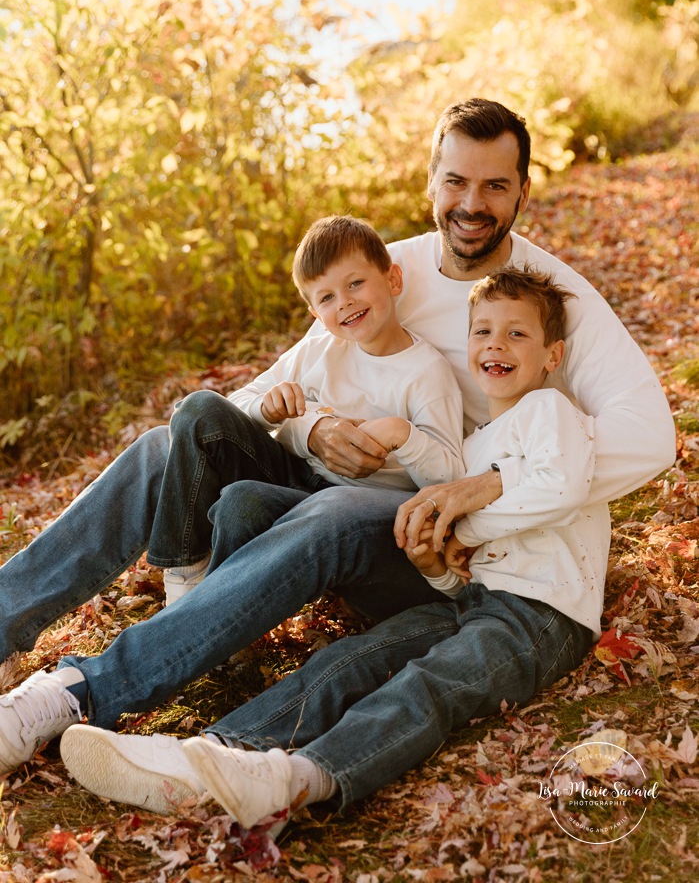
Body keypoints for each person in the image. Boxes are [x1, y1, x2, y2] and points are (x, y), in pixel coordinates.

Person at [0, 99, 674, 779]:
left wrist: (489, 492)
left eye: (495, 186)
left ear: (523, 191)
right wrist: (314, 428)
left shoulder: (554, 299)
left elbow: (648, 437)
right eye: (456, 182)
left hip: (423, 541)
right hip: (340, 485)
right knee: (164, 447)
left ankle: (80, 691)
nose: (472, 204)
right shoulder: (386, 272)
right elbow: (258, 396)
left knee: (337, 511)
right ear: (430, 181)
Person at [57, 267, 607, 832]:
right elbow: (464, 569)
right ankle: (219, 752)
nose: (495, 344)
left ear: (552, 355)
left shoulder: (552, 411)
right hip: (469, 601)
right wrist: (434, 566)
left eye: (517, 334)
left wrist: (465, 526)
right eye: (482, 332)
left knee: (430, 686)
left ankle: (301, 777)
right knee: (348, 661)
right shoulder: (471, 447)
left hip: (542, 613)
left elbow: (561, 489)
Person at [0, 214, 465, 773]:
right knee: (181, 431)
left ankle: (164, 636)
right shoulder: (324, 344)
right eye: (327, 297)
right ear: (313, 309)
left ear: (392, 280)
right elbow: (236, 404)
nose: (344, 303)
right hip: (301, 487)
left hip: (374, 523)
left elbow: (448, 475)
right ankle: (168, 577)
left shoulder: (427, 369)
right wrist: (293, 420)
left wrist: (402, 436)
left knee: (255, 499)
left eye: (355, 285)